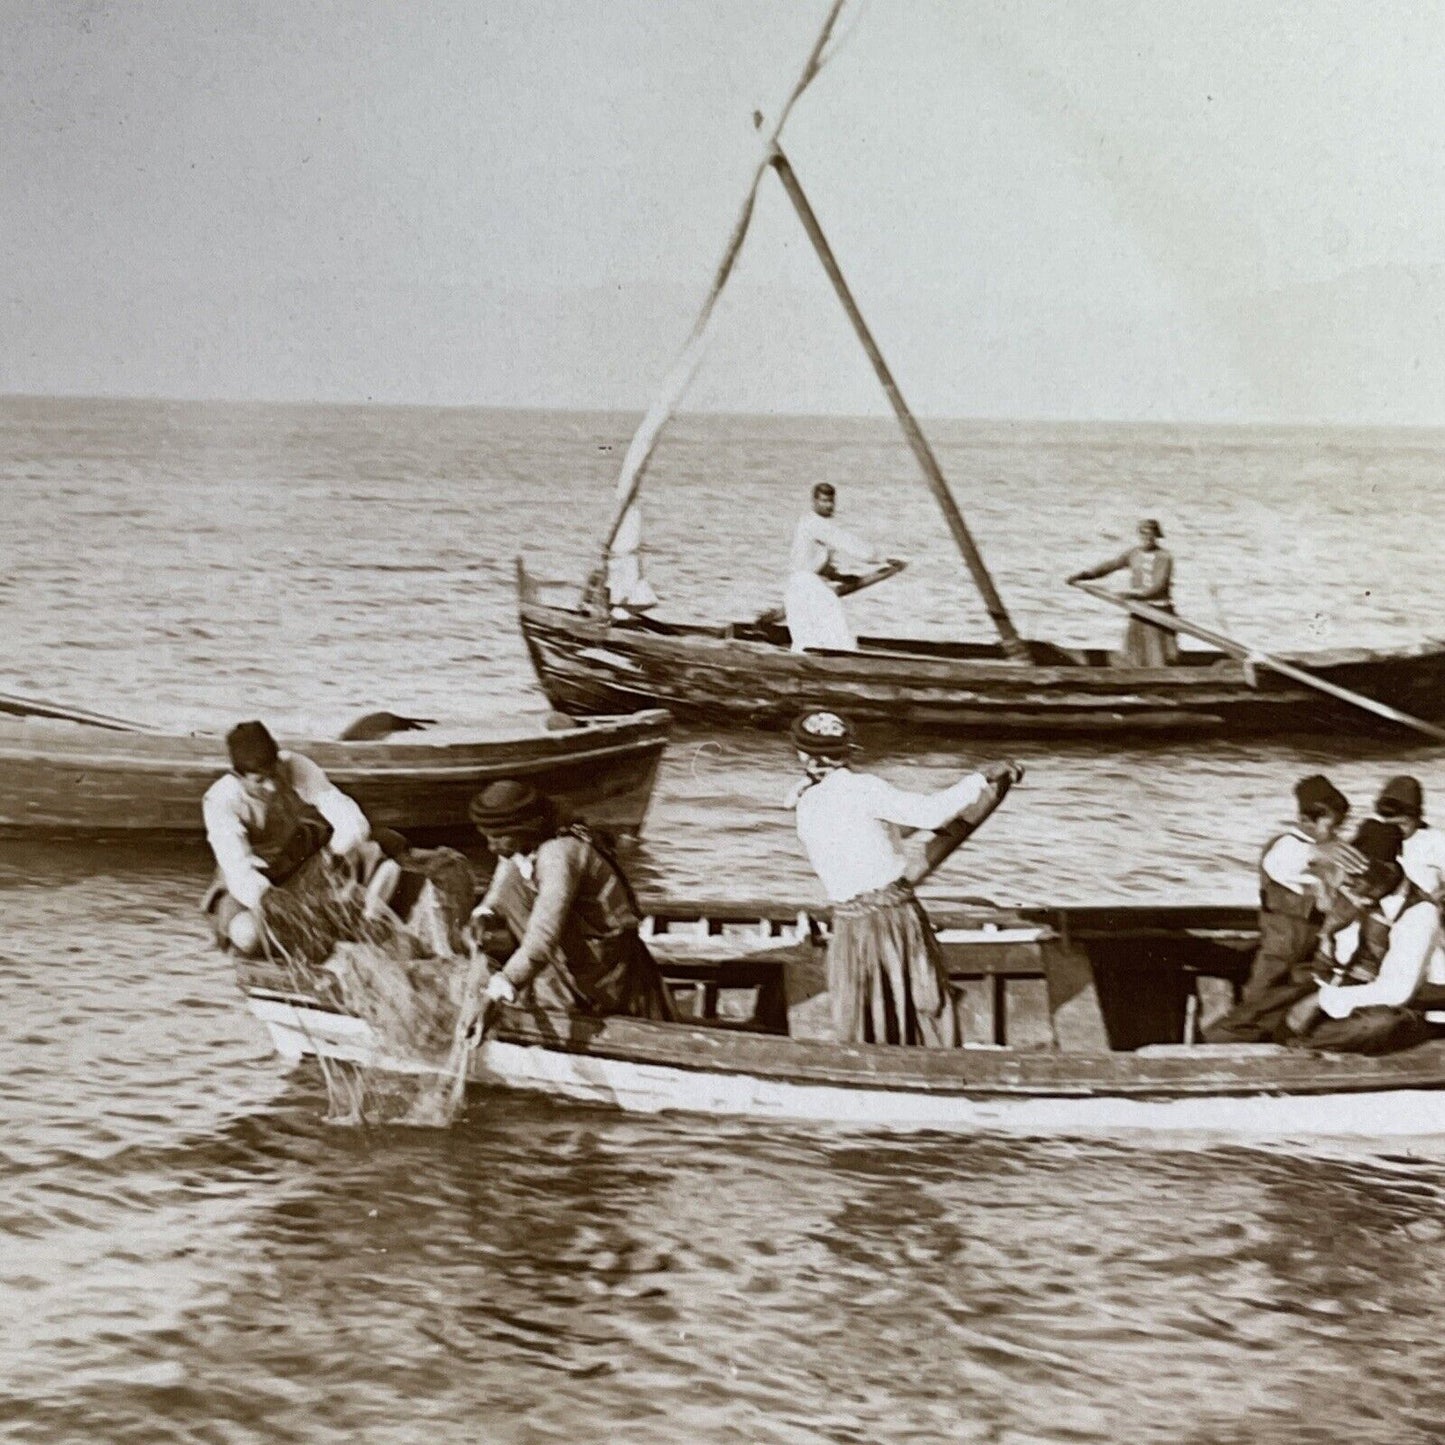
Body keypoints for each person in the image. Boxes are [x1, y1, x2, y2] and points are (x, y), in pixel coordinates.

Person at [787, 709, 1023, 1047]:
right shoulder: (864, 788)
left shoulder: (806, 804)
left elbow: (879, 832)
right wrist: (979, 779)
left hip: (849, 926)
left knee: (865, 1013)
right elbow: (929, 814)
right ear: (849, 750)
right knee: (927, 1002)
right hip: (892, 919)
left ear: (803, 756)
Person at [467, 780, 677, 1020]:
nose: (491, 847)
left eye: (498, 838)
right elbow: (499, 889)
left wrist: (502, 986)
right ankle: (545, 991)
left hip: (606, 962)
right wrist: (484, 913)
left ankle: (561, 1001)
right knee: (509, 895)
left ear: (525, 828)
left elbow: (544, 934)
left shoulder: (559, 855)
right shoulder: (519, 849)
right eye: (487, 837)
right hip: (571, 951)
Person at [202, 720, 392, 960]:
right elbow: (240, 875)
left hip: (298, 865)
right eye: (259, 781)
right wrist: (282, 906)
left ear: (279, 761)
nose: (271, 786)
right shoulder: (220, 801)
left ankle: (354, 917)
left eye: (273, 774)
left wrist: (332, 857)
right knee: (246, 933)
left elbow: (352, 821)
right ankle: (324, 929)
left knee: (379, 849)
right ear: (238, 777)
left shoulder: (295, 766)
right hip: (252, 886)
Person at [1204, 774, 1351, 1044]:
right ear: (1307, 819)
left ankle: (1275, 1040)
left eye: (1341, 825)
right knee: (1259, 998)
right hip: (1280, 947)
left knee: (1291, 997)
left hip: (1310, 950)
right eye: (1333, 824)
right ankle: (1225, 1042)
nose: (1338, 832)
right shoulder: (1286, 846)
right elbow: (1288, 861)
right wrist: (1321, 857)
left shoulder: (1327, 849)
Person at [1284, 819, 1442, 1054]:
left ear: (1387, 873)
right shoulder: (1357, 886)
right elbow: (1277, 863)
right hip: (1327, 985)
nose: (1348, 883)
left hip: (1376, 1004)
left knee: (1379, 1025)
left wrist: (1321, 1000)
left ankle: (1298, 1050)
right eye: (1347, 873)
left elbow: (1396, 991)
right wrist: (1314, 851)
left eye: (1358, 877)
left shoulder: (1419, 913)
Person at [783, 482, 889, 653]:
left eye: (831, 501)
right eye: (824, 501)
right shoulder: (814, 523)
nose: (828, 506)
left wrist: (840, 577)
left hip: (805, 584)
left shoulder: (818, 526)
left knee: (811, 635)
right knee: (831, 613)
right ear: (814, 502)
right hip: (804, 583)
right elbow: (847, 542)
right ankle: (842, 658)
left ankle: (823, 661)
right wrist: (882, 558)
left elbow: (821, 565)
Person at [1067, 518, 1179, 667]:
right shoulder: (1133, 553)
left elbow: (1159, 586)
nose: (1147, 538)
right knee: (1135, 654)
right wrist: (1083, 576)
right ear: (1139, 535)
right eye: (1143, 534)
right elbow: (1110, 566)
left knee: (1159, 656)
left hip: (1159, 613)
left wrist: (1134, 595)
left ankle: (1160, 676)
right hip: (1139, 611)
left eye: (1150, 534)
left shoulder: (1165, 557)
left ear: (1157, 536)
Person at [1374, 775, 1445, 903]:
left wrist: (1438, 896)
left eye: (1402, 824)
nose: (1395, 831)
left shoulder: (1437, 842)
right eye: (1390, 825)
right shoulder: (1376, 838)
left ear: (1418, 818)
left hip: (1425, 910)